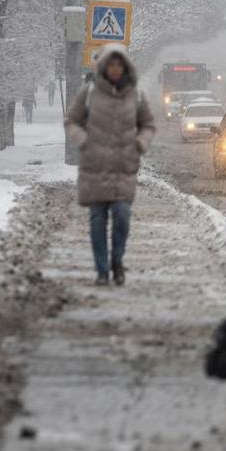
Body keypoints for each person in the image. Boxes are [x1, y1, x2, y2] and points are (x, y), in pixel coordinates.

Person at [64, 44, 156, 286]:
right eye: (111, 64)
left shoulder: (136, 95)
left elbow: (148, 125)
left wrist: (140, 143)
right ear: (104, 67)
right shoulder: (89, 93)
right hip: (94, 166)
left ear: (125, 67)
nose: (115, 69)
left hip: (123, 167)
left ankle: (117, 261)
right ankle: (102, 271)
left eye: (119, 65)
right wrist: (83, 140)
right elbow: (72, 121)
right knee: (97, 219)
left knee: (122, 215)